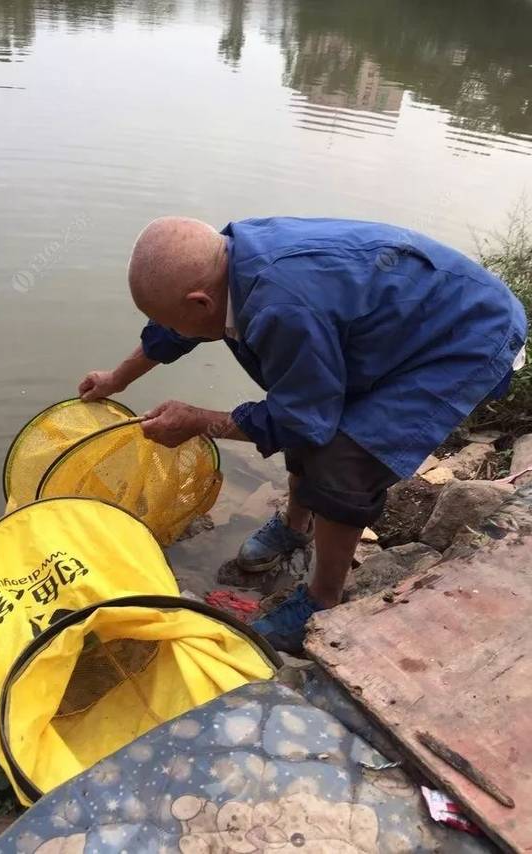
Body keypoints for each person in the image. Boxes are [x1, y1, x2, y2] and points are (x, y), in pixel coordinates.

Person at [78, 216, 527, 654]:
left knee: (342, 454)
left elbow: (301, 421)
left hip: (465, 336)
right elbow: (173, 332)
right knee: (300, 400)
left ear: (201, 302)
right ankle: (296, 526)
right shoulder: (224, 265)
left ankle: (321, 600)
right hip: (391, 320)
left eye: (179, 320)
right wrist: (117, 379)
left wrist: (199, 420)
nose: (176, 332)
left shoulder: (282, 307)